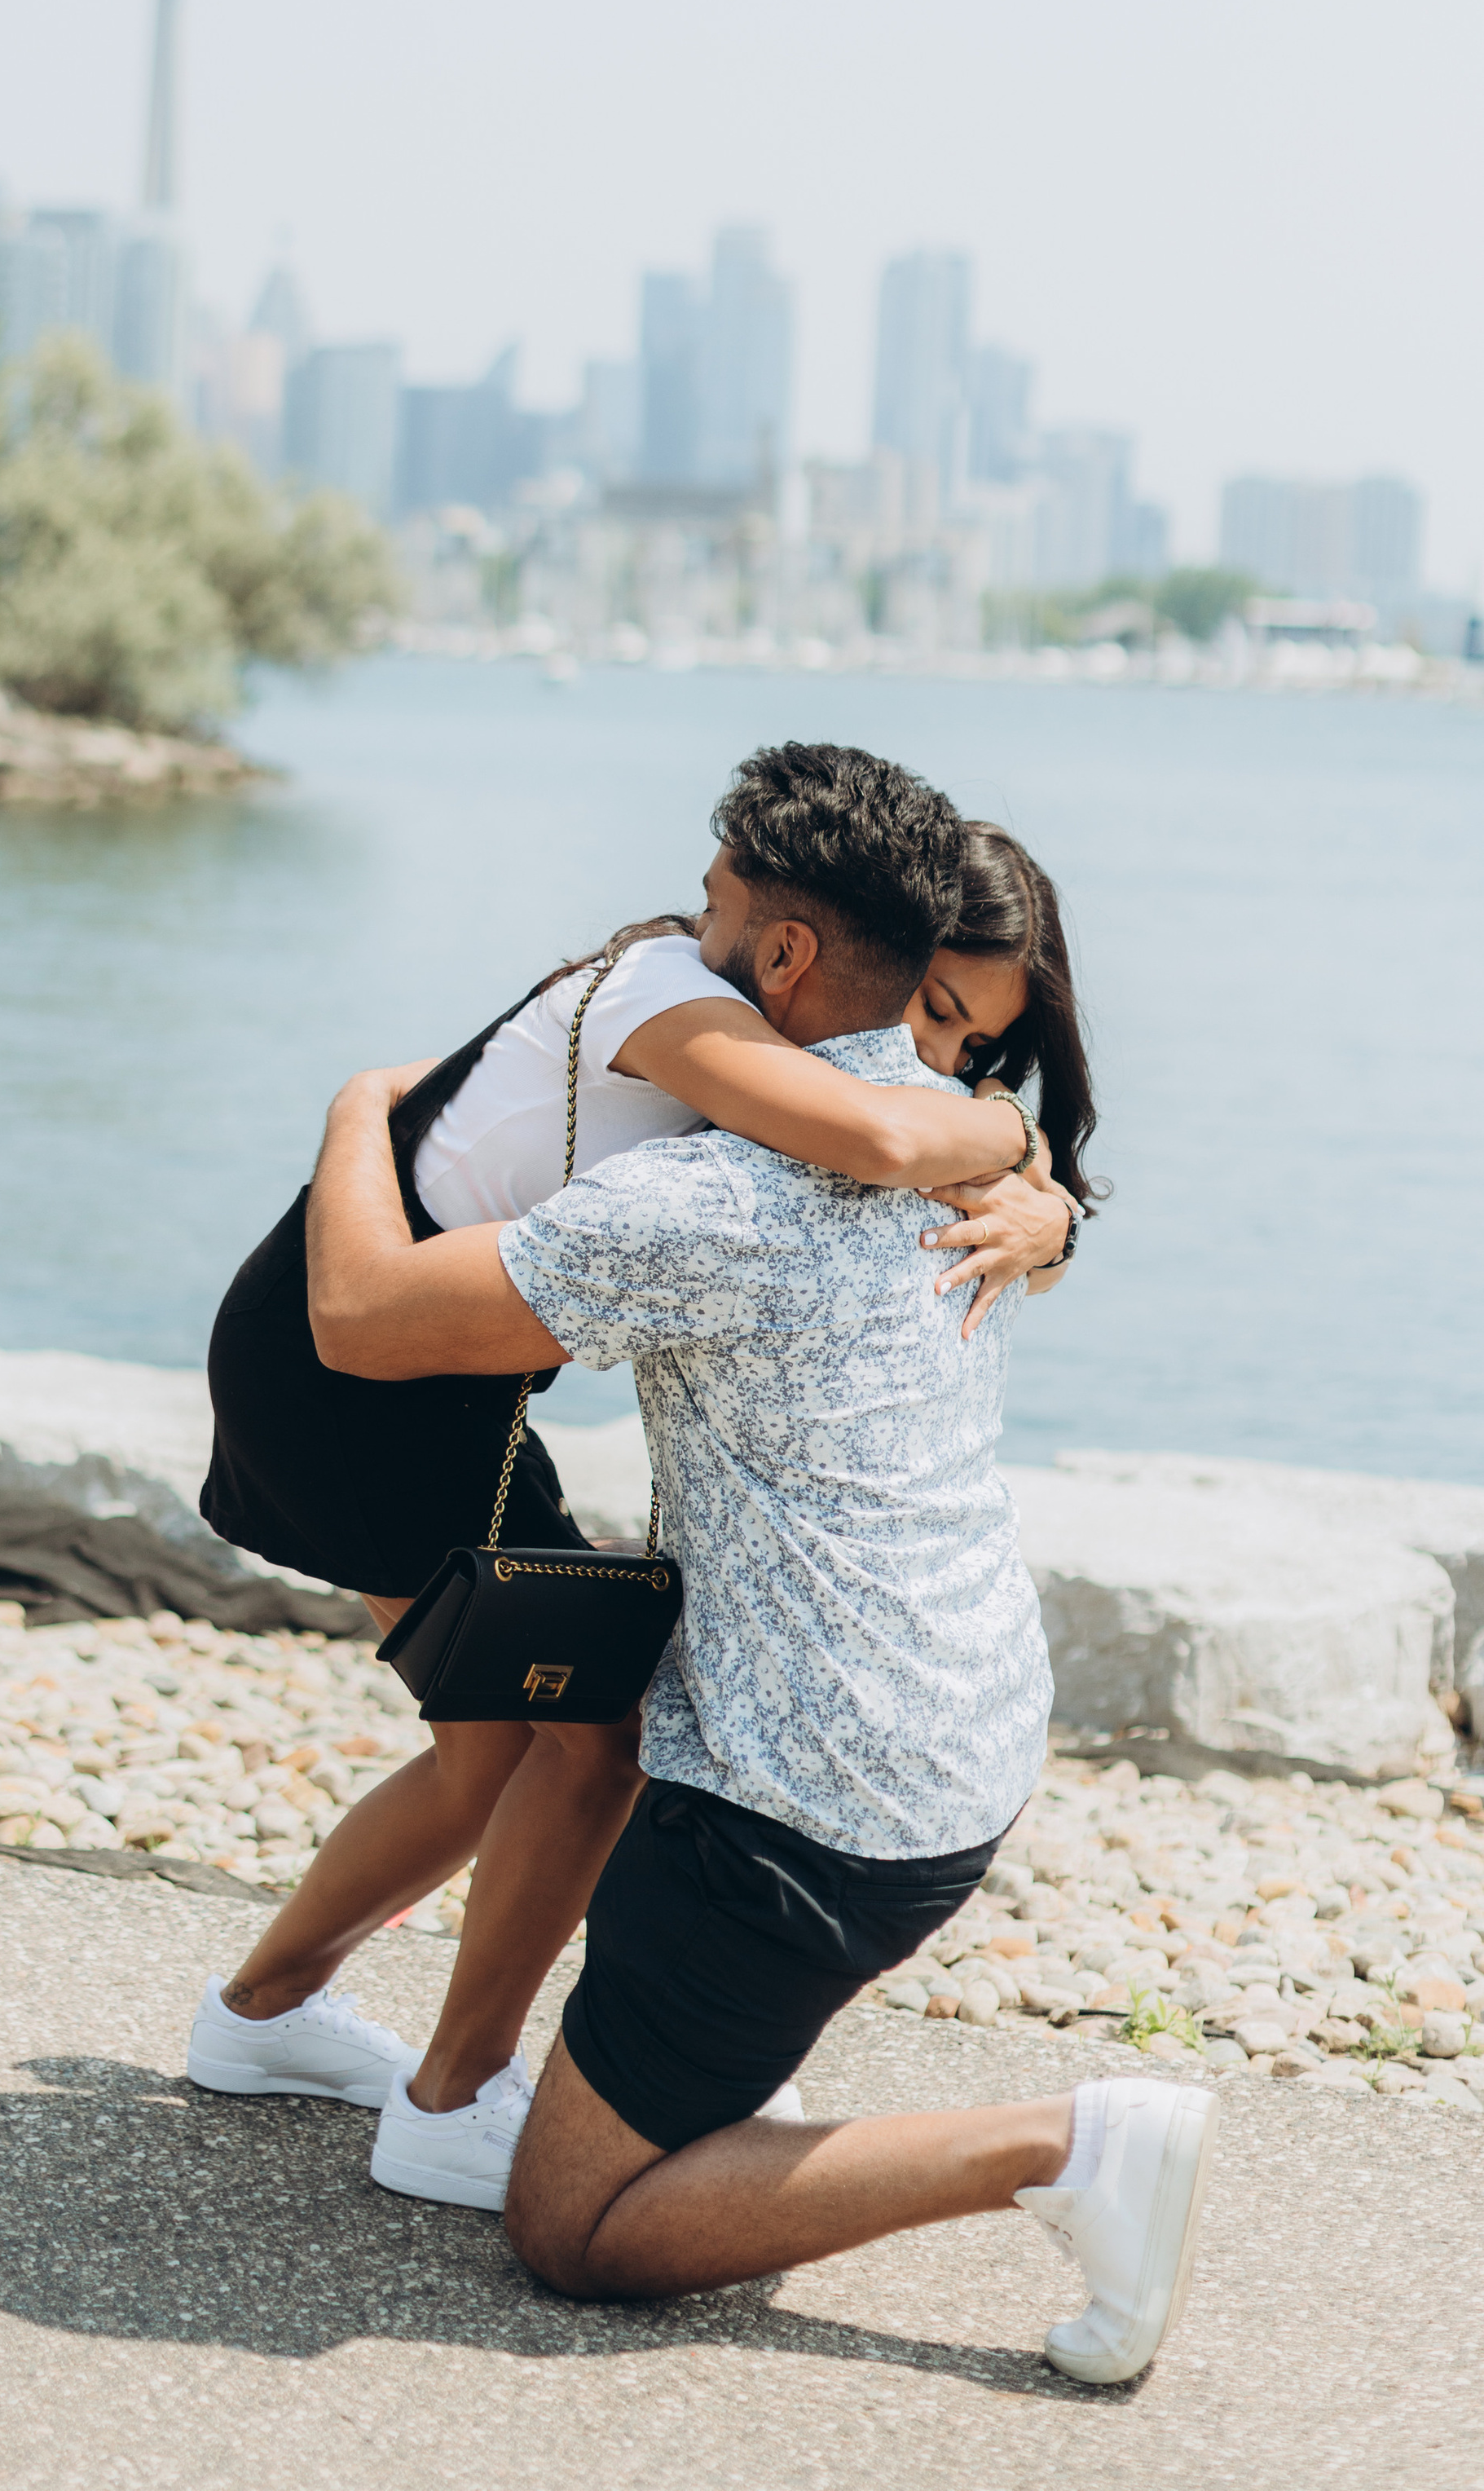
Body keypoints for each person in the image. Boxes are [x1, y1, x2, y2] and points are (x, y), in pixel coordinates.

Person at [297, 740, 1212, 2385]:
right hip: (967, 1728)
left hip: (803, 1807)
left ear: (783, 952)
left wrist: (357, 1105)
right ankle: (713, 2069)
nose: (686, 926)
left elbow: (361, 1318)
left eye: (715, 904)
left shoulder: (706, 1203)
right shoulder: (957, 1122)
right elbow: (993, 1145)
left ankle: (1066, 2147)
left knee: (570, 2230)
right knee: (635, 1823)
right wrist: (1047, 1198)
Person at [186, 747, 1076, 2207]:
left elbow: (905, 1145)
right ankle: (447, 2097)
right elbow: (883, 1138)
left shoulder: (767, 1021)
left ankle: (267, 2018)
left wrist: (1040, 1200)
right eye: (931, 1015)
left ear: (784, 937)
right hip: (358, 1361)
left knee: (531, 1743)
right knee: (581, 1742)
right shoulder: (680, 991)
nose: (691, 896)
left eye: (970, 1035)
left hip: (427, 1373)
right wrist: (357, 1104)